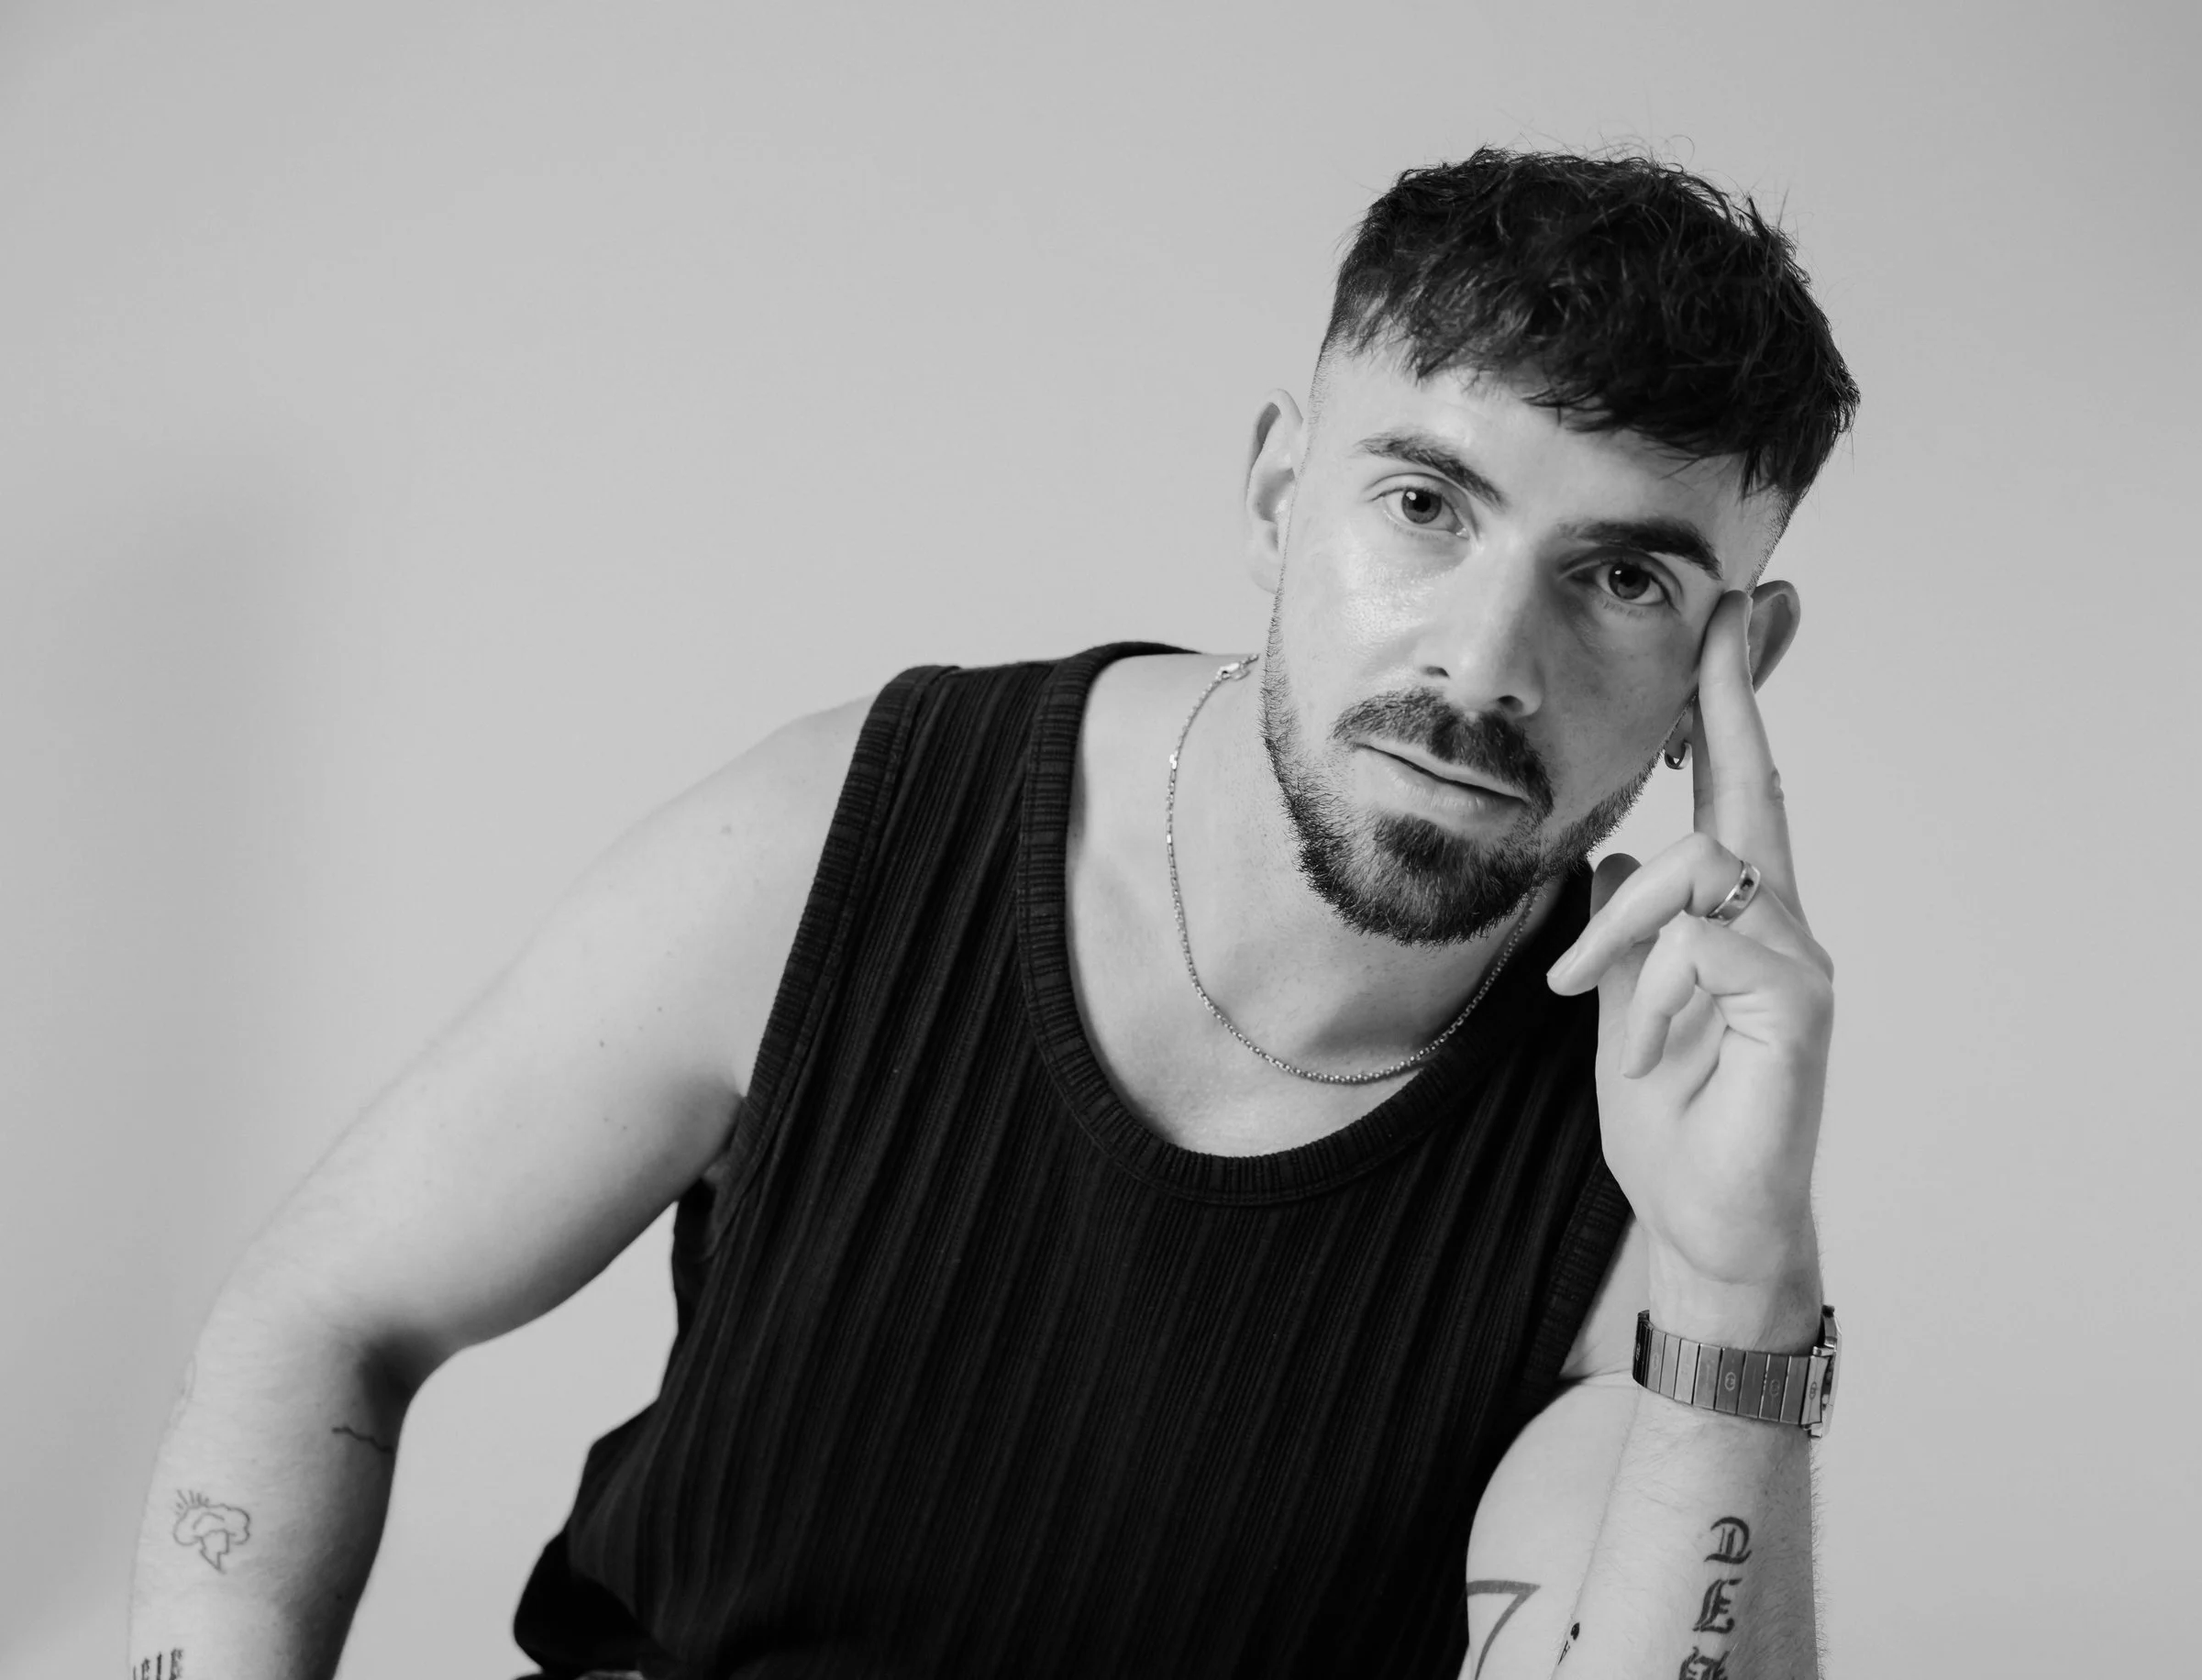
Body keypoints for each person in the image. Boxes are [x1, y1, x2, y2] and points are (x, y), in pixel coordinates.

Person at [128, 147, 1857, 1679]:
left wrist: (1737, 1280)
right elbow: (317, 1317)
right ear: (1276, 499)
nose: (1485, 665)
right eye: (1424, 508)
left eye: (1624, 580)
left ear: (1739, 661)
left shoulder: (1651, 1153)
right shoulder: (844, 840)